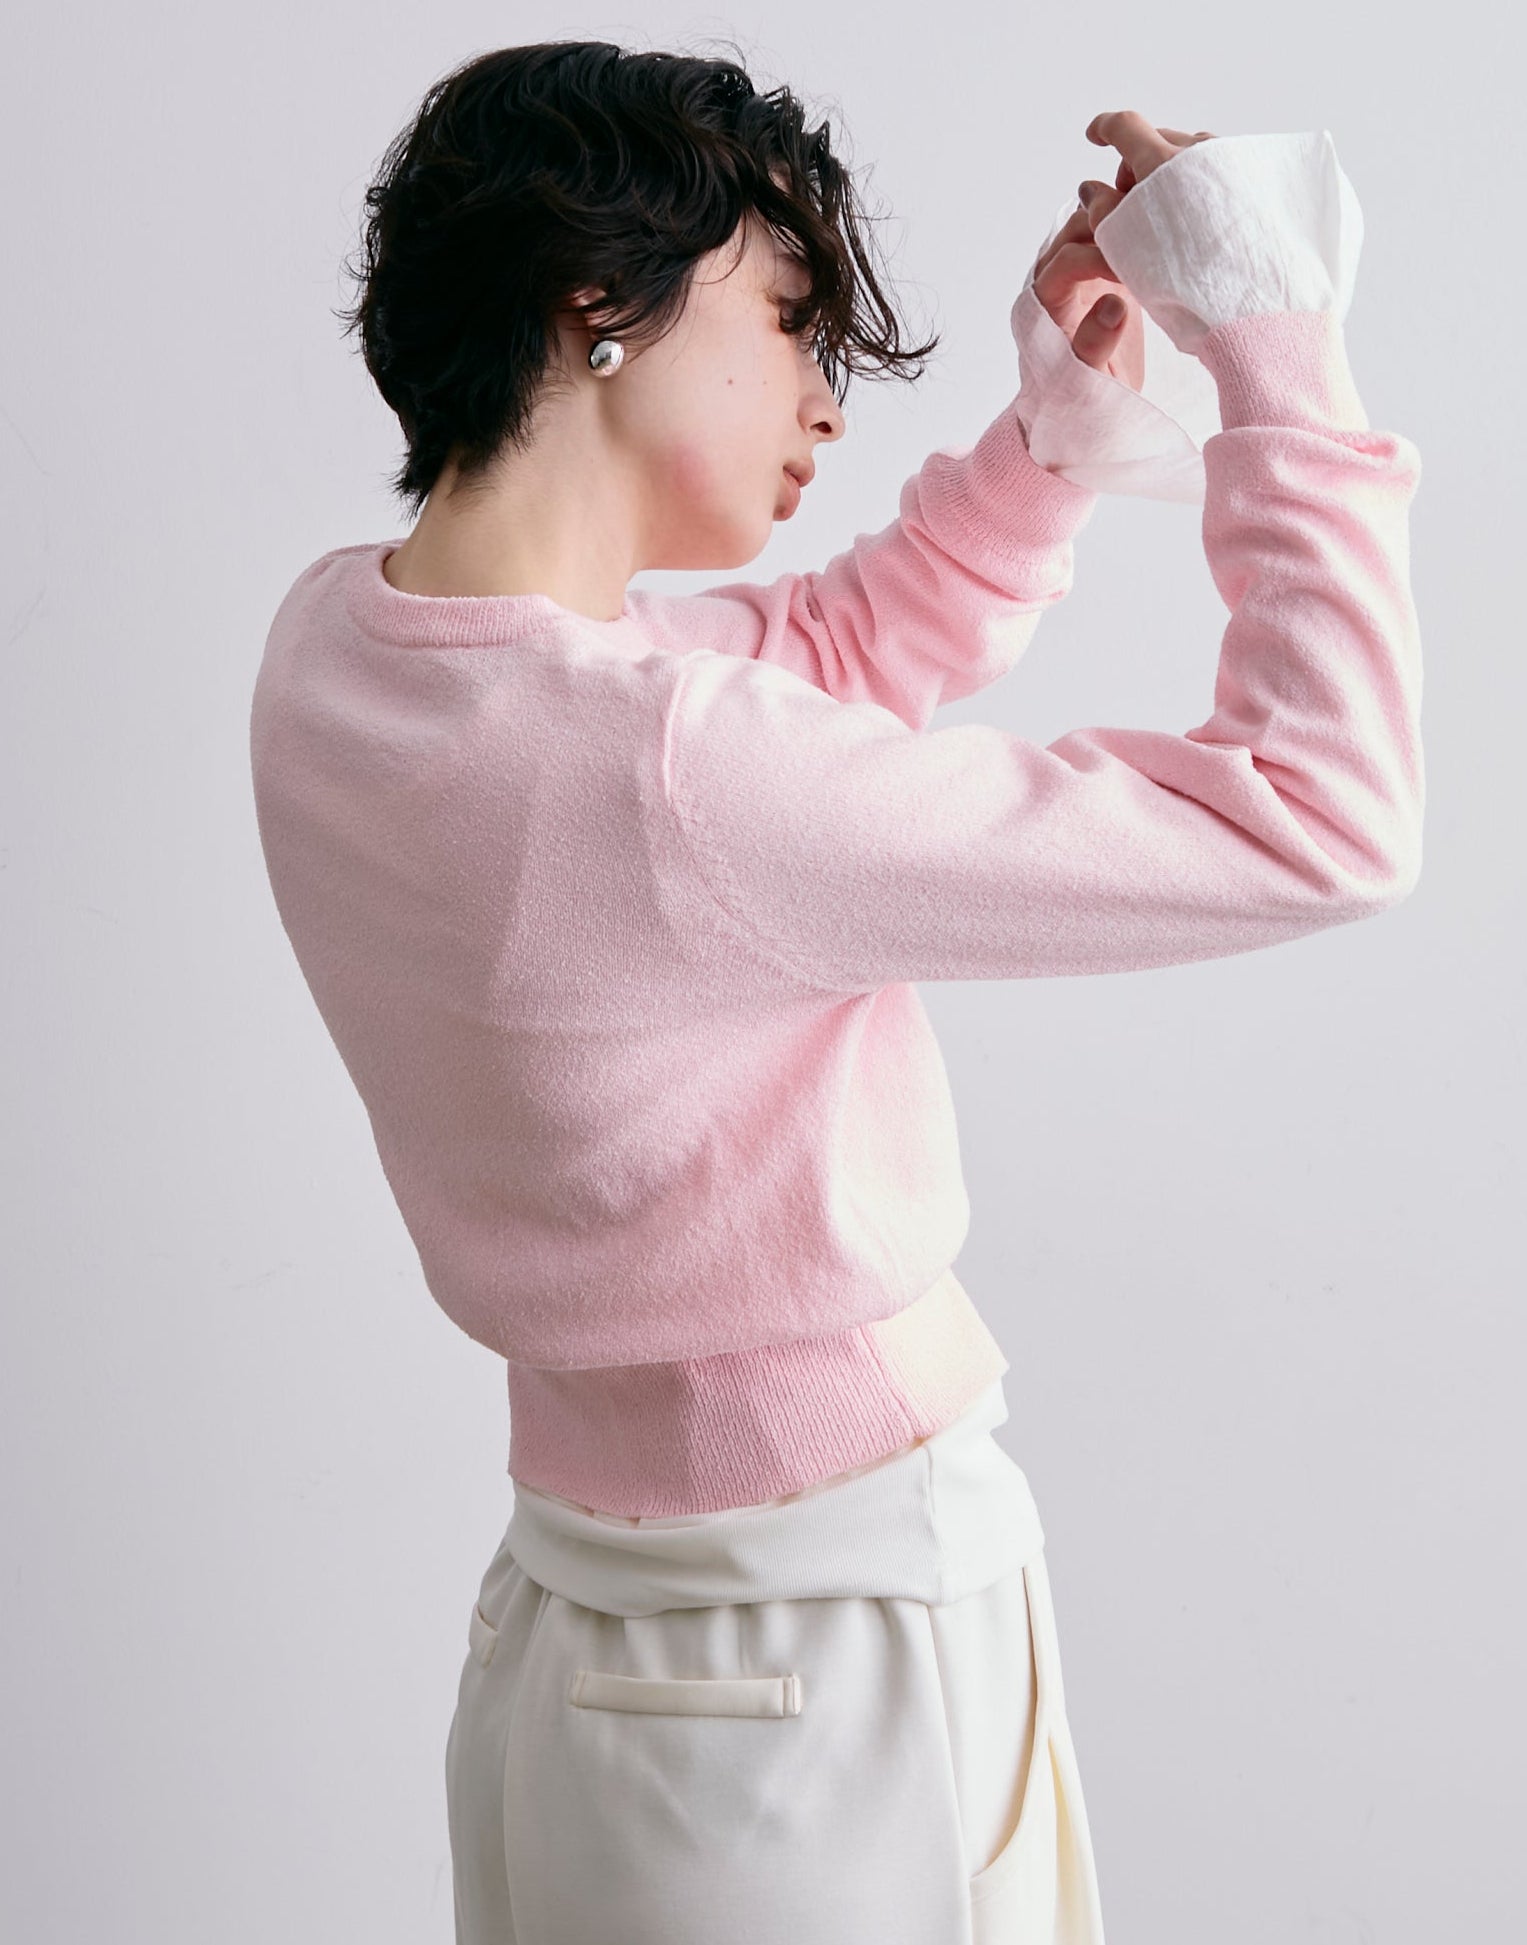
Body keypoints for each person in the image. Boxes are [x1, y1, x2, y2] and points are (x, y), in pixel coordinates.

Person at [248, 37, 1423, 1945]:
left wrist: (1050, 435)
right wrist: (1271, 339)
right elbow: (1323, 814)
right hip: (818, 1657)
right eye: (792, 320)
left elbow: (796, 667)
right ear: (598, 302)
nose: (824, 397)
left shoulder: (339, 653)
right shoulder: (663, 769)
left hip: (575, 1651)